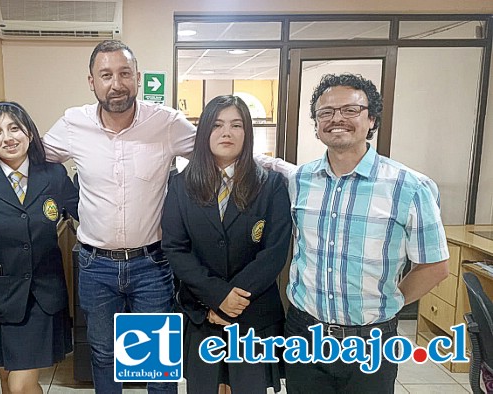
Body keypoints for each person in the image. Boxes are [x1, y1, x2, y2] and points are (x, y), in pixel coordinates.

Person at [257, 73, 449, 393]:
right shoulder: (299, 181)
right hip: (305, 336)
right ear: (317, 125)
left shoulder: (410, 186)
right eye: (326, 113)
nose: (337, 119)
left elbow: (435, 266)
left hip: (372, 342)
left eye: (350, 110)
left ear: (371, 119)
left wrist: (389, 303)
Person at [42, 40, 196, 393]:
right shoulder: (73, 123)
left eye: (124, 73)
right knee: (103, 353)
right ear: (91, 81)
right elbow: (27, 155)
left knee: (157, 360)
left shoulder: (166, 123)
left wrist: (286, 171)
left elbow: (217, 149)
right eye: (106, 75)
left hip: (152, 265)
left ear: (137, 78)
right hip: (96, 266)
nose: (116, 83)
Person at [162, 95, 291, 394]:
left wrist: (235, 299)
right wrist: (217, 296)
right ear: (205, 132)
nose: (227, 132)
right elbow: (175, 248)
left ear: (248, 133)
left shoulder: (271, 186)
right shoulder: (180, 185)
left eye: (237, 125)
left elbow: (274, 253)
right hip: (202, 312)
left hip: (253, 313)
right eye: (217, 125)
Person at [0, 101, 78, 394]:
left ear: (29, 132)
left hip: (42, 296)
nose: (8, 138)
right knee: (6, 378)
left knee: (21, 385)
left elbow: (88, 212)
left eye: (15, 128)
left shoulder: (53, 175)